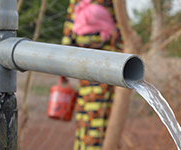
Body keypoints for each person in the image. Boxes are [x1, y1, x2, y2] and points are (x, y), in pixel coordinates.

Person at [61, 0, 123, 149]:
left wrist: (117, 55)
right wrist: (62, 62)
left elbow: (119, 28)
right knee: (83, 115)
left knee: (99, 115)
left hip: (105, 66)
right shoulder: (76, 2)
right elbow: (69, 30)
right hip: (83, 65)